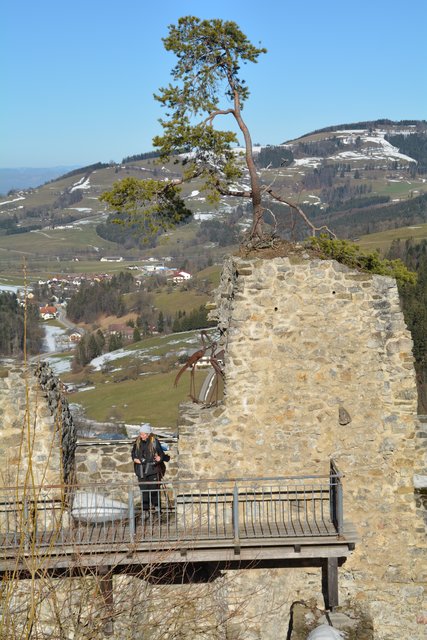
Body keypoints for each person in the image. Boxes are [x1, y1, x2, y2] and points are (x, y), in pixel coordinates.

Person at [131, 425, 165, 515]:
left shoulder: (154, 442)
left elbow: (161, 454)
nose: (141, 436)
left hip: (152, 470)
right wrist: (134, 459)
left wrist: (159, 458)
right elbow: (133, 454)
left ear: (148, 434)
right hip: (141, 471)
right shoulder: (137, 442)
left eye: (143, 434)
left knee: (154, 491)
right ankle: (145, 511)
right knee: (144, 492)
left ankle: (157, 509)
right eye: (140, 434)